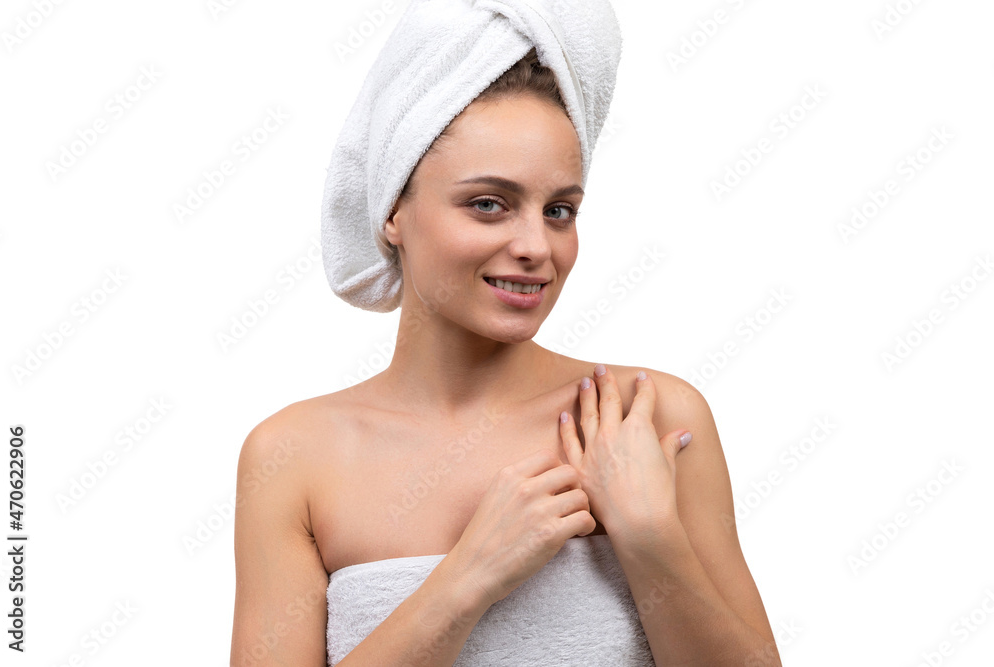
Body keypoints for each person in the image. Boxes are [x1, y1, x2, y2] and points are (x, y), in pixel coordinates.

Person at [231, 7, 780, 667]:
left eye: (559, 211)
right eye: (488, 203)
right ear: (393, 210)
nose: (535, 247)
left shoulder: (644, 416)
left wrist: (649, 539)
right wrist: (467, 578)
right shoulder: (293, 456)